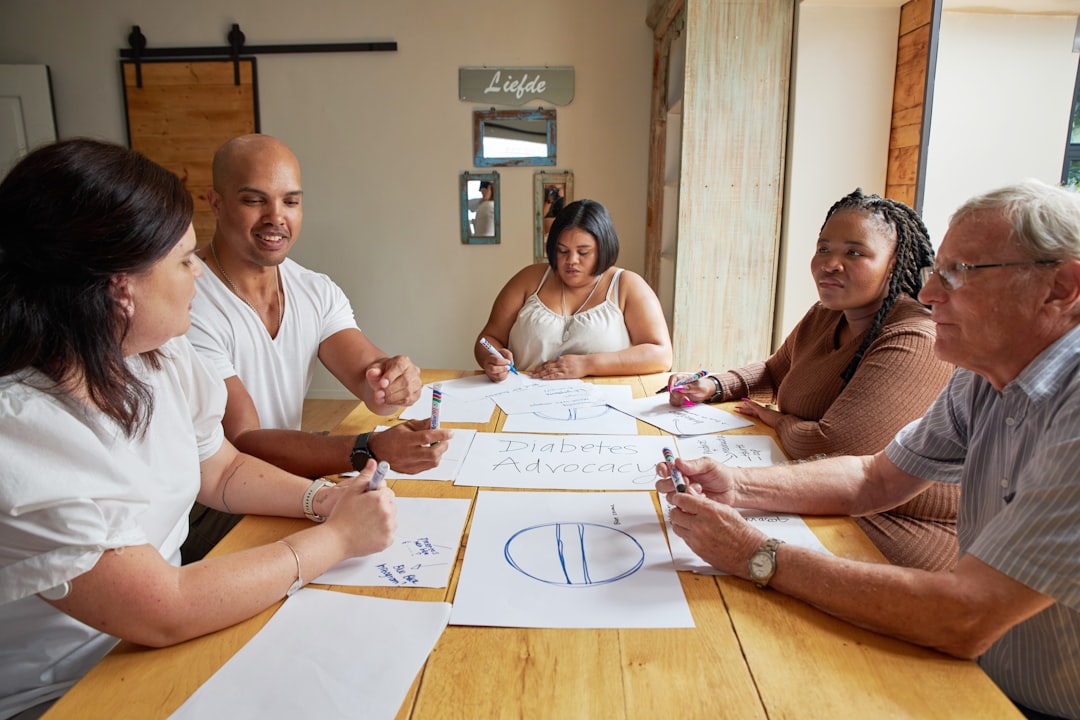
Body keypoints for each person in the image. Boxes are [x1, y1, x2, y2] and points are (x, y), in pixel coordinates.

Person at [0, 139, 398, 719]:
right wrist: (336, 538)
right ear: (120, 287)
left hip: (149, 655)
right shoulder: (23, 430)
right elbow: (162, 608)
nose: (197, 277)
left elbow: (223, 467)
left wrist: (326, 498)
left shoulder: (156, 356)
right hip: (64, 693)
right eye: (184, 262)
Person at [658, 179, 1080, 720]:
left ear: (1062, 288)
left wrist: (755, 555)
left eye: (961, 274)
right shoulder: (983, 374)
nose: (929, 295)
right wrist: (737, 485)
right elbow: (874, 479)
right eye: (935, 274)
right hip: (977, 672)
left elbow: (968, 616)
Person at [186, 134, 450, 561]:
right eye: (255, 201)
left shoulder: (315, 289)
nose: (276, 217)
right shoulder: (187, 300)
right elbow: (244, 442)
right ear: (215, 202)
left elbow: (371, 380)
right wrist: (369, 446)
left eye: (290, 202)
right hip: (210, 505)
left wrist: (393, 379)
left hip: (286, 478)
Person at [669, 189, 957, 571]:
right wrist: (716, 384)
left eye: (854, 252)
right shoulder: (826, 314)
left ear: (895, 264)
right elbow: (776, 369)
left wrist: (783, 422)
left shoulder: (915, 337)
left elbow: (837, 449)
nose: (830, 264)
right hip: (821, 499)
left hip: (897, 528)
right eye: (824, 249)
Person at [476, 198, 673, 381]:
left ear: (603, 248)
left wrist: (587, 364)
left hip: (603, 405)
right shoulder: (529, 279)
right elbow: (488, 338)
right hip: (523, 398)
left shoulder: (627, 285)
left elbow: (661, 355)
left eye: (583, 252)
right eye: (563, 251)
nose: (571, 261)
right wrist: (491, 358)